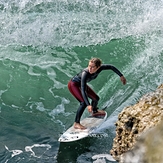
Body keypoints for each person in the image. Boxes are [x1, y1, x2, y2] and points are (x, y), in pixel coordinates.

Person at [68, 58, 126, 130]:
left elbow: (111, 67)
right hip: (74, 85)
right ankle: (76, 123)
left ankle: (95, 111)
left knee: (96, 98)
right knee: (83, 103)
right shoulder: (85, 73)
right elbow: (83, 90)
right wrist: (88, 105)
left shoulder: (101, 68)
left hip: (81, 85)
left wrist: (121, 75)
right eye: (89, 66)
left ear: (98, 67)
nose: (90, 68)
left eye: (92, 67)